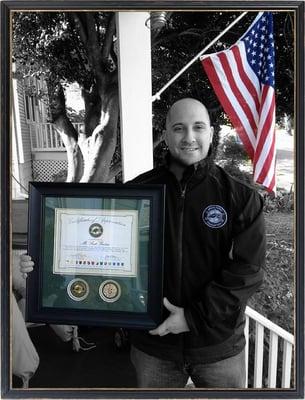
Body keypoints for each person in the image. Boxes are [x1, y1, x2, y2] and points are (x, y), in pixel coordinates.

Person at [20, 98, 266, 389]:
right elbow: (98, 246)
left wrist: (191, 317)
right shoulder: (138, 193)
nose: (189, 137)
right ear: (166, 134)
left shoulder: (240, 198)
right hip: (154, 347)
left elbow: (247, 272)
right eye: (179, 128)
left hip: (218, 347)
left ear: (211, 134)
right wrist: (43, 264)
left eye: (198, 127)